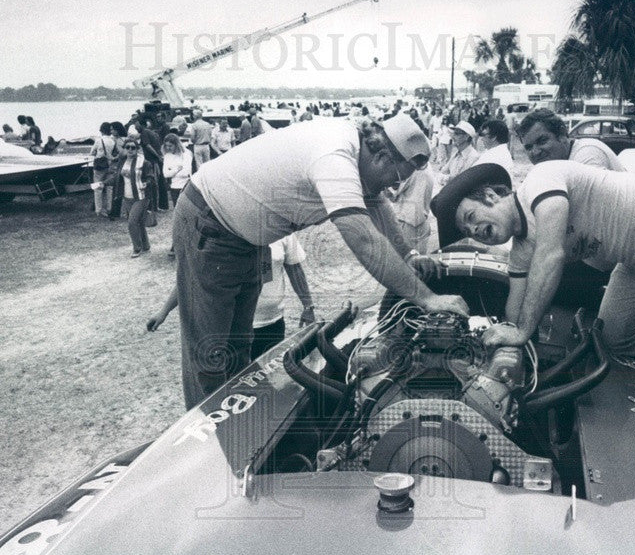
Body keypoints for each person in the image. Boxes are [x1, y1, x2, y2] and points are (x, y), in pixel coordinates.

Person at [434, 159, 635, 456]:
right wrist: (503, 334)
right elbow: (516, 300)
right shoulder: (521, 247)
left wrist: (521, 332)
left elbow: (551, 257)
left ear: (491, 195)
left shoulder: (541, 186)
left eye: (471, 217)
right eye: (467, 231)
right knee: (609, 341)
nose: (474, 231)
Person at [164, 113, 467, 407]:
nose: (391, 188)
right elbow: (363, 238)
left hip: (245, 236)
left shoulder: (361, 155)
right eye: (395, 179)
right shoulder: (335, 155)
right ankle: (208, 436)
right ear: (381, 157)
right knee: (210, 352)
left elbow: (377, 204)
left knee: (238, 347)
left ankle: (236, 429)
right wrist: (427, 298)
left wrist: (409, 255)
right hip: (210, 222)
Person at [148, 235, 316, 360]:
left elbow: (295, 270)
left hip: (271, 323)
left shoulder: (282, 232)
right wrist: (164, 311)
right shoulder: (224, 233)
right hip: (232, 327)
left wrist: (308, 306)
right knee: (234, 381)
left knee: (268, 379)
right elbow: (193, 277)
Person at [517, 108, 625, 170]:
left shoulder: (587, 154)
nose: (535, 152)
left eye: (542, 141)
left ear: (562, 134)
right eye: (529, 147)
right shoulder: (555, 164)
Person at [105, 138, 156, 257]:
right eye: (127, 147)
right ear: (124, 149)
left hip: (141, 196)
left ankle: (137, 248)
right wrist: (104, 183)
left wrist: (146, 183)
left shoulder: (144, 162)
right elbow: (116, 178)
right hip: (126, 197)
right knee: (138, 222)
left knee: (132, 222)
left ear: (137, 149)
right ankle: (146, 246)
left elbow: (151, 178)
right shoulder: (122, 162)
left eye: (133, 147)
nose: (130, 149)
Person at [162, 134, 191, 256]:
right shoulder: (167, 155)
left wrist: (173, 171)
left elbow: (187, 172)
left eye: (171, 146)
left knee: (188, 216)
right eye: (166, 146)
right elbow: (165, 174)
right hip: (174, 188)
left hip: (186, 187)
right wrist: (177, 169)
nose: (169, 148)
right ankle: (176, 244)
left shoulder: (186, 154)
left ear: (176, 144)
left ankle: (187, 243)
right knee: (178, 217)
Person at [90, 122, 116, 217]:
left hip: (100, 166)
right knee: (109, 187)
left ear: (101, 130)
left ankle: (99, 210)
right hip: (110, 165)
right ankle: (109, 208)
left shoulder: (98, 140)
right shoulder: (113, 140)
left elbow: (92, 152)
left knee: (98, 188)